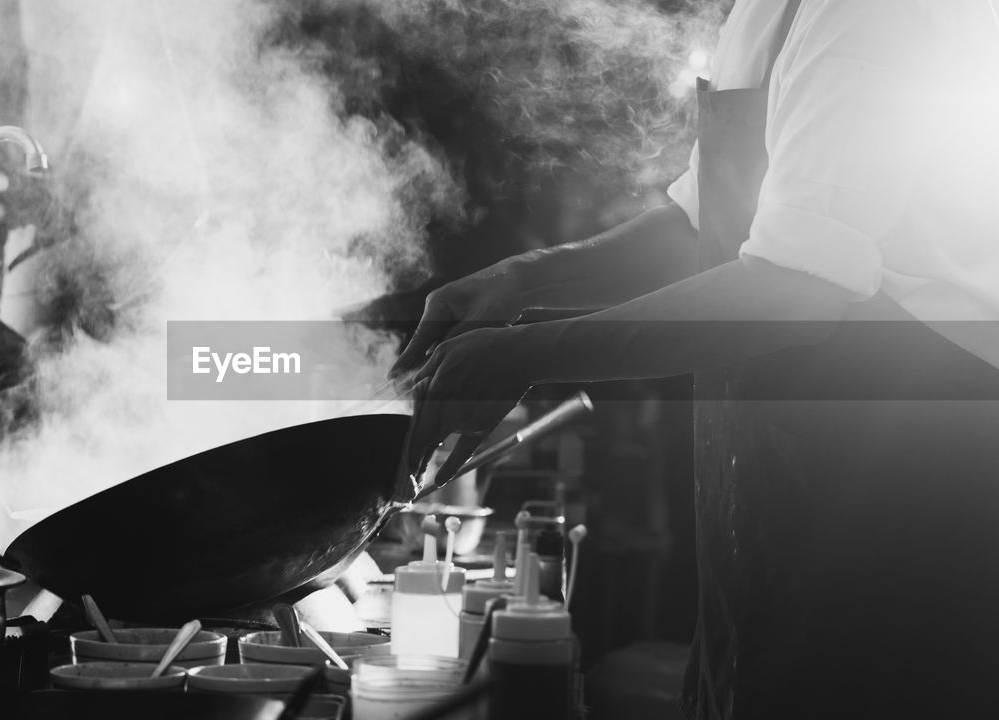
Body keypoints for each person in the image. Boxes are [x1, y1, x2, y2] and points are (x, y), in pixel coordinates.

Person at [392, 1, 999, 718]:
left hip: (905, 490)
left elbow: (793, 289)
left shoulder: (876, 14)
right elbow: (702, 230)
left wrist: (523, 355)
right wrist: (524, 280)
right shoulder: (763, 10)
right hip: (780, 488)